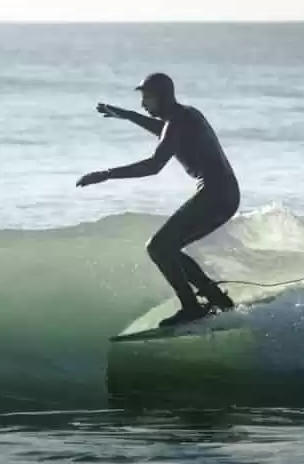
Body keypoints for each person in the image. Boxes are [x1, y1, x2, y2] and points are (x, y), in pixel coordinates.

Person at [76, 72, 240, 327]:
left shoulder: (177, 121)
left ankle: (192, 308)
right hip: (225, 194)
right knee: (169, 248)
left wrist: (106, 174)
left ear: (162, 97)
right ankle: (218, 300)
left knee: (158, 247)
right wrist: (127, 115)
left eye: (147, 98)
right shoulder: (186, 115)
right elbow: (163, 131)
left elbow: (153, 165)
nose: (143, 104)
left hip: (215, 194)